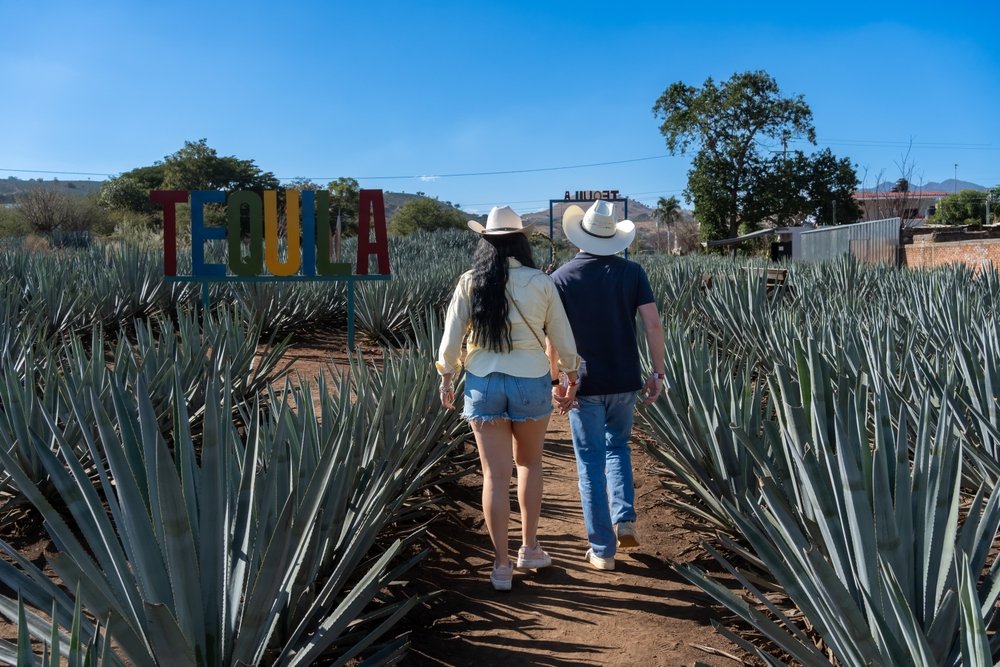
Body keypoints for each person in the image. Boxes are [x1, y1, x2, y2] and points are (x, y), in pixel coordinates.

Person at [436, 205, 580, 591]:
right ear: (522, 240)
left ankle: (500, 565)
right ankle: (530, 548)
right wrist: (570, 374)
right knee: (530, 463)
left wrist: (447, 376)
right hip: (531, 380)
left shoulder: (470, 281)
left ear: (485, 242)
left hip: (483, 382)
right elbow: (563, 337)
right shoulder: (541, 281)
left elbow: (451, 338)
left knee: (493, 475)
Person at [549, 199, 666, 572]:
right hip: (625, 379)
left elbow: (553, 336)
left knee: (589, 463)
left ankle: (602, 550)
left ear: (580, 235)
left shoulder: (562, 278)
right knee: (618, 448)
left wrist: (557, 380)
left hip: (583, 383)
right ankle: (625, 519)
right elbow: (653, 325)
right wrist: (657, 373)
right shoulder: (633, 273)